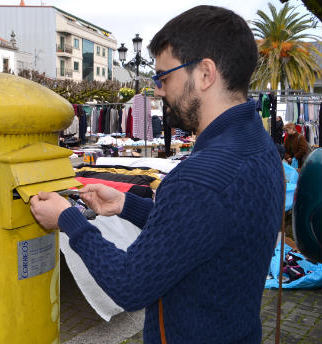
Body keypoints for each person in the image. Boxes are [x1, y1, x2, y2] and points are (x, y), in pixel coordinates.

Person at [30, 5, 284, 343]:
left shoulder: (200, 178)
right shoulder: (260, 145)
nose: (159, 90)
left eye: (164, 77)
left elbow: (130, 285)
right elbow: (199, 232)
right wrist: (126, 205)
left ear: (205, 74)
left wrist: (69, 220)